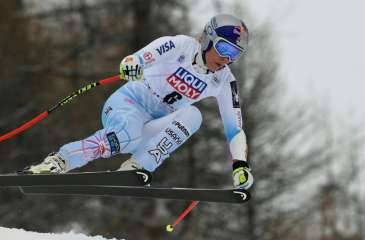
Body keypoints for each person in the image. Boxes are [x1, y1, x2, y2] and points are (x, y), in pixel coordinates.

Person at [24, 14, 254, 190]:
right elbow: (142, 57)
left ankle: (138, 166)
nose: (227, 58)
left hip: (152, 127)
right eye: (224, 47)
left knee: (194, 115)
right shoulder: (181, 46)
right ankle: (59, 161)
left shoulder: (224, 81)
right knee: (127, 134)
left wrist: (240, 165)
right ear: (208, 39)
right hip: (129, 104)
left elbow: (235, 130)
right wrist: (133, 63)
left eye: (235, 53)